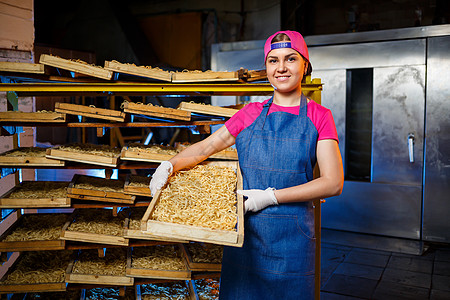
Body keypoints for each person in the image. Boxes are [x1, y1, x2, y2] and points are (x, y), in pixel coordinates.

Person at [149, 30, 344, 300]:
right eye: (273, 61)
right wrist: (168, 166)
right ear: (266, 68)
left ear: (305, 65)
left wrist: (270, 197)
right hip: (245, 235)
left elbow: (333, 182)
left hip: (293, 239)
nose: (282, 68)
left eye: (291, 59)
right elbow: (205, 148)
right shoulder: (249, 114)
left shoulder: (319, 116)